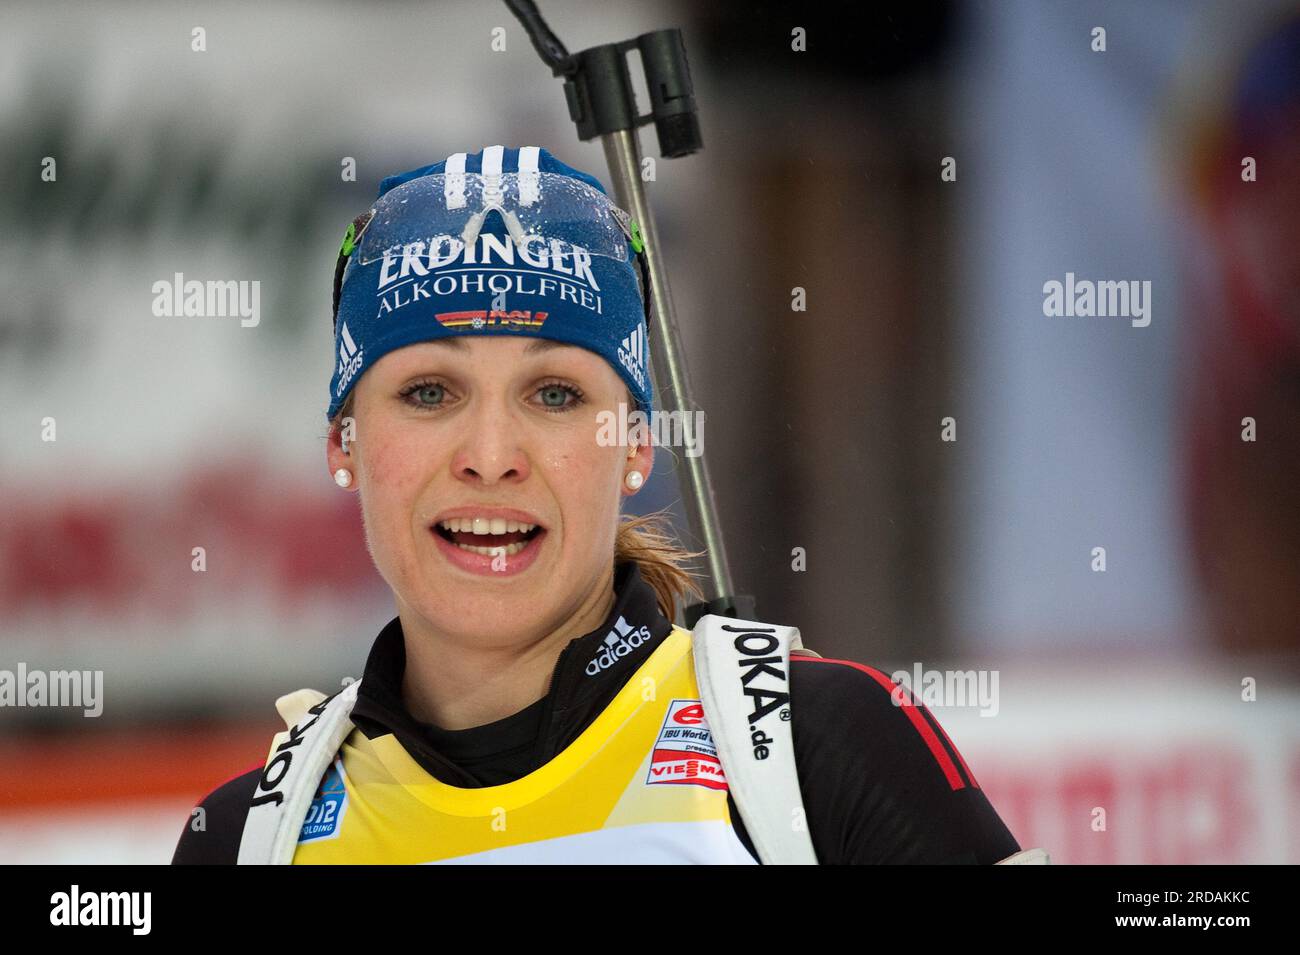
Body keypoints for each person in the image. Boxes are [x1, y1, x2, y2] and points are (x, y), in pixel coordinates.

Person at [171, 144, 1024, 864]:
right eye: (431, 391)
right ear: (343, 443)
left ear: (637, 445)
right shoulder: (249, 839)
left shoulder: (821, 752)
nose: (493, 458)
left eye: (553, 394)